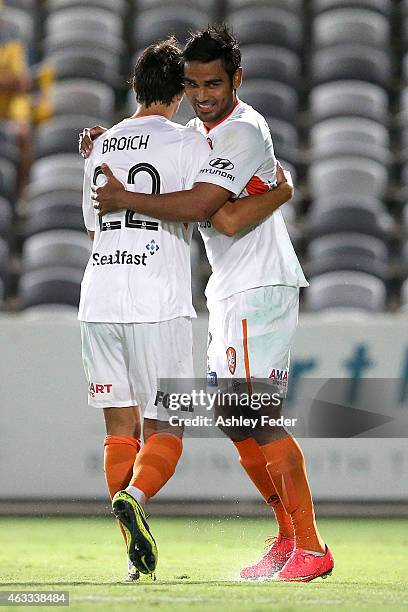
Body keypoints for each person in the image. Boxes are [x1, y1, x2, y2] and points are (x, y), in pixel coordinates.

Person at [88, 24, 334, 583]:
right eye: (194, 84)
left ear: (237, 80)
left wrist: (125, 194)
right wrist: (110, 141)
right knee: (232, 416)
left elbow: (211, 211)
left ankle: (312, 546)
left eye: (214, 84)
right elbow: (169, 155)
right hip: (228, 286)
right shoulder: (204, 132)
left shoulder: (244, 130)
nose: (202, 95)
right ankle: (288, 537)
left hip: (259, 283)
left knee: (259, 414)